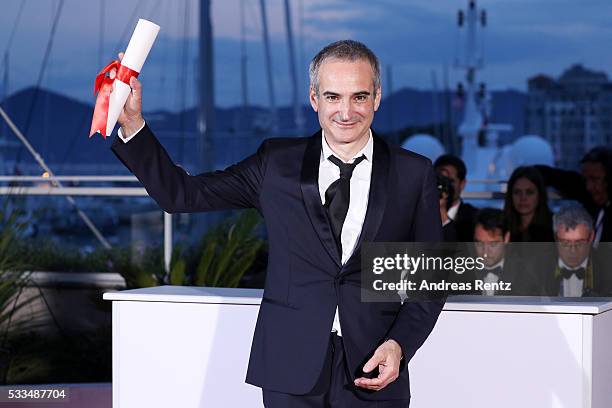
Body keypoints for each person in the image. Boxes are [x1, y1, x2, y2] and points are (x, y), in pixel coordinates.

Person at [111, 40, 443, 407]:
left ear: (377, 97)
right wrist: (133, 124)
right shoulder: (276, 164)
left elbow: (432, 277)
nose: (346, 111)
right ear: (314, 98)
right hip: (290, 367)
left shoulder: (413, 173)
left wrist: (399, 345)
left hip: (375, 367)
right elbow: (181, 195)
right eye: (333, 97)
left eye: (359, 97)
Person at [536, 147, 612, 245]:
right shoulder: (591, 196)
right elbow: (556, 176)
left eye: (595, 179)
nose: (588, 187)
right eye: (586, 180)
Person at [543, 205, 611, 297]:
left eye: (580, 243)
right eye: (565, 243)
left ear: (591, 237)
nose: (573, 251)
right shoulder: (536, 269)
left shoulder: (608, 268)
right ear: (555, 238)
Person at [503, 166, 554, 242]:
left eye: (529, 192)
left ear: (540, 195)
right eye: (517, 192)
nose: (523, 198)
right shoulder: (503, 226)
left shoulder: (554, 227)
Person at [434, 154, 478, 242]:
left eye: (450, 181)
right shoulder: (419, 214)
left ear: (462, 184)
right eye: (439, 181)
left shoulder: (473, 218)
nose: (443, 186)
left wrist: (442, 214)